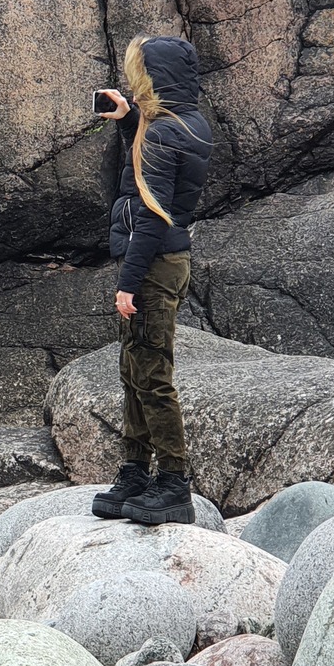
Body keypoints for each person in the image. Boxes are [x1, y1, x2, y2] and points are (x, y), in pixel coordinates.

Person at [89, 35, 213, 526]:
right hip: (167, 261)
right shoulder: (184, 123)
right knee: (135, 369)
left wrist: (128, 280)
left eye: (138, 74)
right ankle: (136, 471)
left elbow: (154, 213)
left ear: (153, 77)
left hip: (154, 263)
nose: (133, 83)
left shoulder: (163, 132)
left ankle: (172, 484)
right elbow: (152, 167)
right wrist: (129, 122)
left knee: (152, 376)